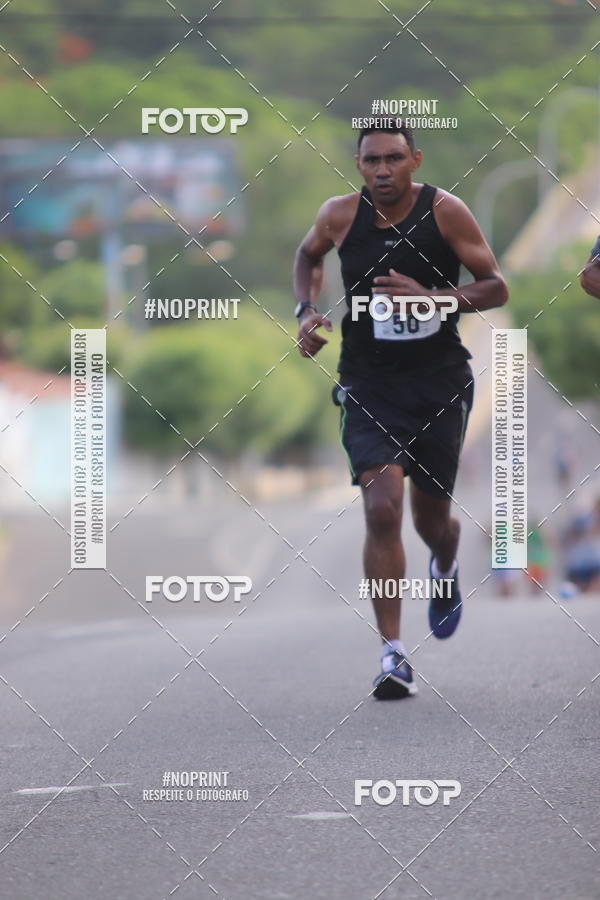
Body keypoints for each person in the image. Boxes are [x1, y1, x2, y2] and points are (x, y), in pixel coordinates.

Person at [293, 121, 508, 699]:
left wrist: (434, 297)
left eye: (393, 159)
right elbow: (308, 254)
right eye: (371, 161)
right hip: (368, 385)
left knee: (430, 522)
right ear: (359, 165)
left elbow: (495, 287)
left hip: (438, 385)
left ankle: (444, 565)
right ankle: (392, 654)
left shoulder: (447, 212)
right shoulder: (339, 215)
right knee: (382, 507)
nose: (382, 171)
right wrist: (306, 312)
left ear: (415, 159)